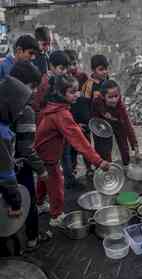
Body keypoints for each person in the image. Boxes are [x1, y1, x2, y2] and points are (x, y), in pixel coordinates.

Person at [34, 75, 110, 227]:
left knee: (44, 178)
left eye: (77, 91)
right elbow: (79, 141)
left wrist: (74, 126)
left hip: (40, 151)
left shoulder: (52, 106)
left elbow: (64, 127)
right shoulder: (61, 113)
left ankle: (39, 203)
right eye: (72, 92)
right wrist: (98, 161)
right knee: (56, 183)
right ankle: (56, 216)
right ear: (61, 93)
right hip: (49, 155)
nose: (77, 94)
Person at [9, 61, 51, 250]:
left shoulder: (5, 101)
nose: (34, 92)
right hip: (20, 164)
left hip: (7, 163)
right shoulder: (25, 110)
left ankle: (13, 238)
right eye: (32, 87)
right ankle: (33, 238)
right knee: (28, 199)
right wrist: (41, 169)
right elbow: (27, 148)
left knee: (10, 203)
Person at [0, 76, 32, 256]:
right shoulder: (2, 133)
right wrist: (16, 202)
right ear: (7, 104)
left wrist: (10, 160)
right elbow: (5, 175)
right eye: (18, 108)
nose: (20, 113)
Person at [92, 79, 140, 166]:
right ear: (103, 96)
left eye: (116, 96)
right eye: (110, 97)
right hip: (102, 126)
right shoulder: (97, 102)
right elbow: (93, 120)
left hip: (117, 122)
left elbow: (128, 126)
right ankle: (107, 168)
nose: (114, 100)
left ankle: (126, 165)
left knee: (124, 145)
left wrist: (135, 146)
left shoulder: (120, 107)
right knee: (104, 149)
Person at [63, 49, 90, 186]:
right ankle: (71, 176)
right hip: (69, 120)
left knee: (86, 144)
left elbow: (86, 99)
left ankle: (89, 169)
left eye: (74, 63)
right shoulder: (63, 80)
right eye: (69, 65)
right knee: (70, 150)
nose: (73, 67)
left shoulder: (83, 77)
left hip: (82, 118)